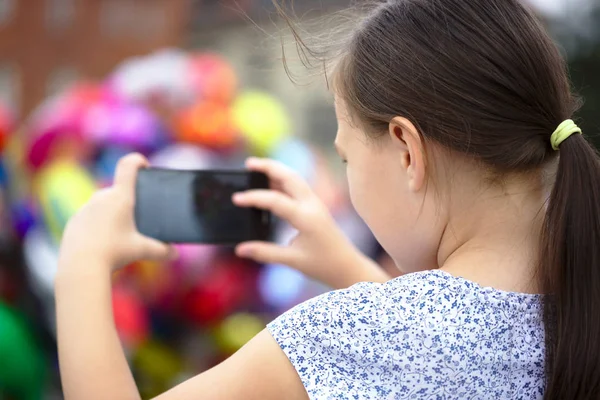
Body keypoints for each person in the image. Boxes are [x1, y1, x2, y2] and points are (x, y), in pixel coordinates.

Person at [54, 0, 600, 399]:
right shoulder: (579, 309)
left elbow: (414, 348)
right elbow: (450, 348)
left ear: (407, 150)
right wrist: (351, 269)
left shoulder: (343, 334)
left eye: (346, 158)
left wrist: (82, 260)